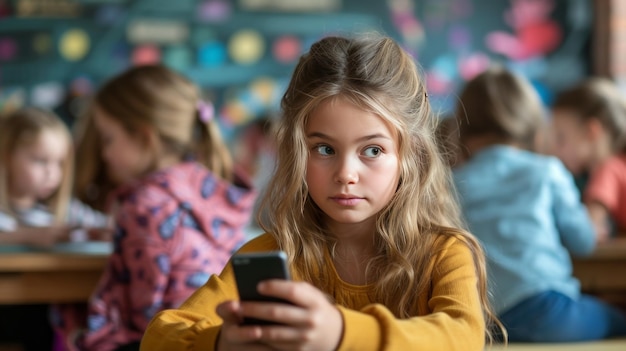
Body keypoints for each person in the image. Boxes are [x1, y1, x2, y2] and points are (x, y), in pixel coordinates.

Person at [140, 34, 500, 351]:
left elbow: (463, 338)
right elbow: (161, 335)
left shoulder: (443, 253)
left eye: (372, 151)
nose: (346, 175)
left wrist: (341, 333)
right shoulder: (276, 253)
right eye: (324, 149)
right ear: (297, 153)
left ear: (411, 155)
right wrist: (221, 343)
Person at [55, 64, 257, 351]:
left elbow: (144, 315)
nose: (104, 153)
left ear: (145, 137)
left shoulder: (143, 203)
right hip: (215, 336)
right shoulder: (213, 188)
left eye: (108, 139)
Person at [452, 67, 626, 342]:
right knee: (614, 317)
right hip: (548, 312)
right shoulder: (547, 171)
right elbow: (583, 241)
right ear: (530, 120)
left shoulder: (450, 182)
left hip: (483, 321)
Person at [0, 107, 110, 351]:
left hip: (45, 317)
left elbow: (107, 226)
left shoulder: (63, 210)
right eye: (40, 160)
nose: (52, 173)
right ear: (6, 156)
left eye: (59, 163)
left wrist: (100, 232)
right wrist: (28, 236)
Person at [550, 77, 626, 238]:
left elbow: (589, 229)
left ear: (591, 132)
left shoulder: (608, 169)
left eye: (561, 138)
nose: (555, 150)